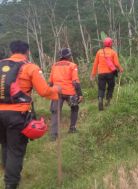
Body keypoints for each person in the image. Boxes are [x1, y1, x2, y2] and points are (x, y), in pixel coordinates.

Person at [0, 40, 60, 189]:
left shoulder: (1, 65)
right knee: (15, 150)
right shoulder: (30, 67)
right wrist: (56, 90)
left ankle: (8, 175)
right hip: (17, 114)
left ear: (11, 51)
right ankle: (11, 184)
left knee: (6, 145)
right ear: (27, 52)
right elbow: (44, 91)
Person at [49, 48, 83, 141]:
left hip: (56, 92)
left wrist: (50, 92)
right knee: (74, 108)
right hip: (70, 92)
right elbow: (75, 81)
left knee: (55, 112)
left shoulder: (54, 66)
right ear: (68, 56)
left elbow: (51, 82)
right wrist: (80, 94)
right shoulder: (72, 65)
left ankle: (53, 134)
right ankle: (72, 128)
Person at [90, 37, 123, 111]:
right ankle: (108, 101)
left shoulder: (99, 52)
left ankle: (100, 99)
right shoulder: (113, 52)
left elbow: (95, 64)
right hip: (110, 74)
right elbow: (116, 63)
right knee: (111, 87)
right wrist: (121, 69)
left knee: (101, 88)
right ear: (111, 44)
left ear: (104, 44)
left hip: (101, 74)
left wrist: (93, 74)